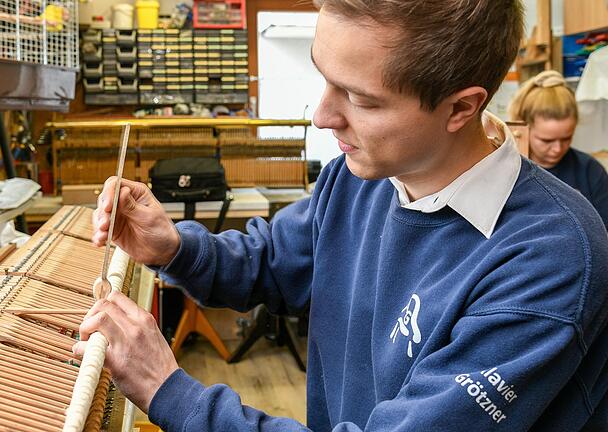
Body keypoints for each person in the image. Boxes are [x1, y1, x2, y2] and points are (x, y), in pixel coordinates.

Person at [73, 1, 608, 430]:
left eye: (359, 98)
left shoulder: (549, 261)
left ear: (461, 107)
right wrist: (175, 247)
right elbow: (275, 260)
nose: (323, 115)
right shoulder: (361, 177)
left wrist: (171, 393)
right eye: (324, 78)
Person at [509, 69, 608, 227]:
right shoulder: (508, 171)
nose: (557, 149)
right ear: (524, 128)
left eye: (566, 138)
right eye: (546, 140)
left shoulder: (590, 171)